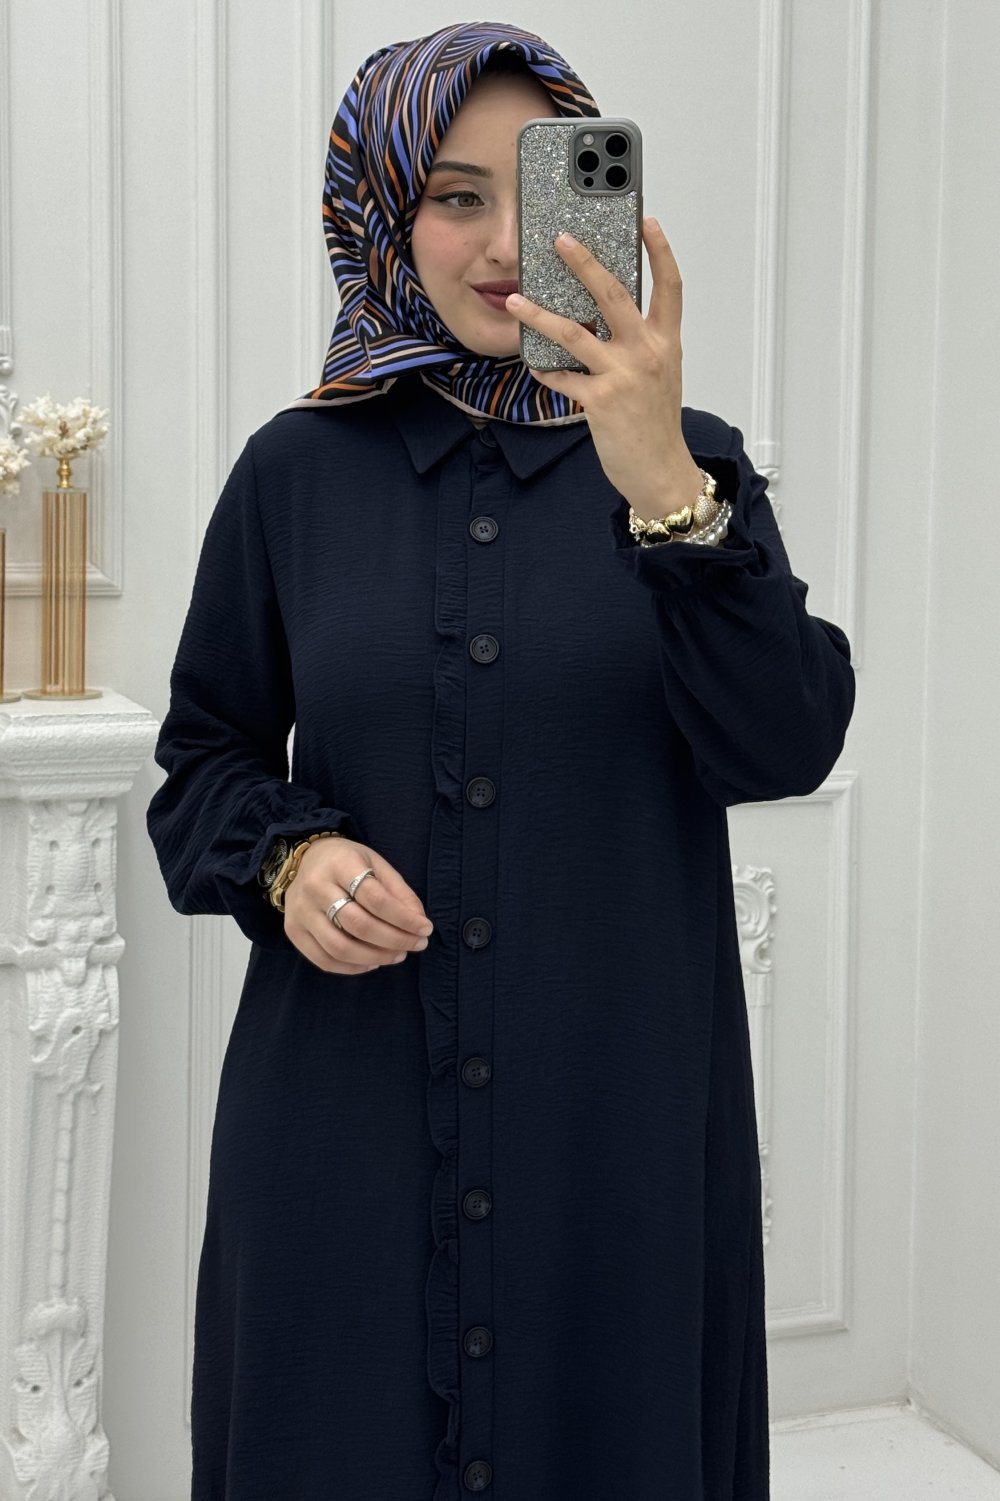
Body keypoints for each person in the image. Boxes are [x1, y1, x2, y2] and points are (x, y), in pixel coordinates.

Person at [146, 19, 855, 1501]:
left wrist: (663, 484)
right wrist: (290, 859)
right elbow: (204, 757)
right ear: (383, 211)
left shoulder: (693, 461)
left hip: (614, 1129)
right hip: (341, 1122)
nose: (507, 246)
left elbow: (784, 741)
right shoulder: (292, 472)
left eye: (538, 191)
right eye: (456, 196)